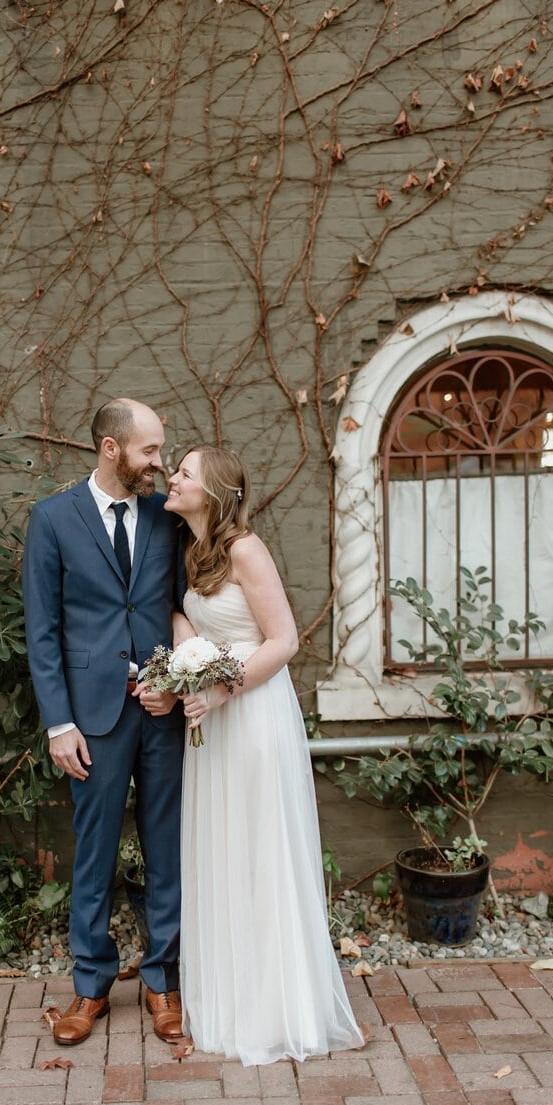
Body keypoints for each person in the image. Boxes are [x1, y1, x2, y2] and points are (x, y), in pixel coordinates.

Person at [165, 444, 365, 1066]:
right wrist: (186, 663)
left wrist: (221, 690)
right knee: (220, 850)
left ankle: (276, 1008)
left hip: (252, 715)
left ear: (214, 492)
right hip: (212, 721)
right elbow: (185, 615)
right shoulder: (193, 550)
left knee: (259, 850)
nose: (172, 478)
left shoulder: (245, 549)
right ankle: (227, 999)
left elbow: (283, 640)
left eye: (184, 473)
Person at [22, 398, 187, 1046]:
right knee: (92, 854)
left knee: (165, 847)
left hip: (161, 712)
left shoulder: (163, 516)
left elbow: (182, 606)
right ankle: (89, 986)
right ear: (111, 448)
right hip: (90, 720)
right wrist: (58, 723)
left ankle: (161, 980)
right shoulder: (52, 520)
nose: (159, 463)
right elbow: (42, 632)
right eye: (149, 451)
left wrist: (175, 685)